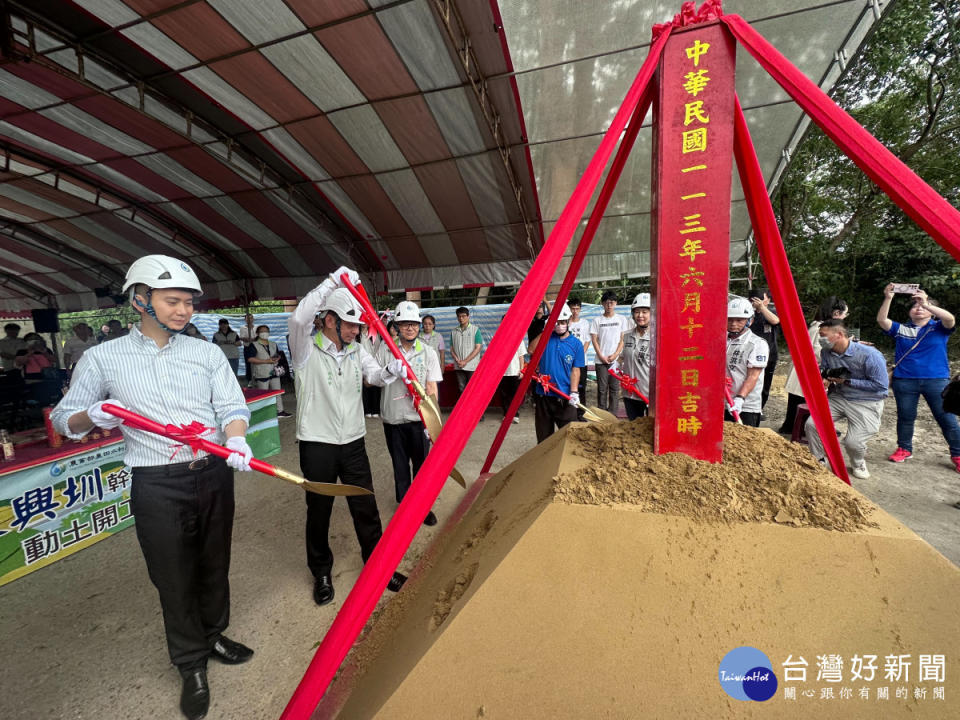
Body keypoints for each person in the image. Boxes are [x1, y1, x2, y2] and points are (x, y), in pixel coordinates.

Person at [50, 255, 256, 720]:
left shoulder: (203, 353)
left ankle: (212, 634)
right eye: (172, 301)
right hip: (156, 482)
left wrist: (237, 437)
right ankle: (190, 663)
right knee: (173, 574)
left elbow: (231, 404)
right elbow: (65, 419)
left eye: (187, 302)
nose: (183, 310)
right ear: (139, 299)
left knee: (213, 562)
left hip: (212, 470)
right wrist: (94, 414)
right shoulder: (103, 358)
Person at [287, 267, 408, 607]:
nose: (357, 331)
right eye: (350, 324)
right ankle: (321, 572)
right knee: (319, 509)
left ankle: (379, 567)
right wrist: (329, 282)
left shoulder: (357, 349)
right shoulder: (304, 349)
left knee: (365, 505)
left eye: (359, 325)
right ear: (329, 321)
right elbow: (298, 320)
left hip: (353, 442)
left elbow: (374, 376)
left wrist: (391, 372)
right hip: (318, 444)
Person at [877, 285, 960, 472]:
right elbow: (882, 320)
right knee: (906, 417)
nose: (919, 308)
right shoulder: (902, 329)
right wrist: (888, 297)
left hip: (936, 380)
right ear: (909, 311)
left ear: (932, 312)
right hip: (905, 380)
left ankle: (957, 454)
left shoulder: (940, 328)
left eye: (923, 306)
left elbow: (950, 318)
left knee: (946, 418)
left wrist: (926, 302)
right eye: (915, 305)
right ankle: (904, 448)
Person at [375, 301, 443, 526]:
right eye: (405, 324)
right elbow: (371, 379)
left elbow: (432, 387)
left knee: (422, 465)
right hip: (393, 418)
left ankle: (423, 507)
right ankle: (405, 505)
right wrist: (388, 370)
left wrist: (433, 422)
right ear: (396, 325)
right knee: (400, 464)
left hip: (419, 419)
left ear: (419, 325)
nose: (410, 328)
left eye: (414, 324)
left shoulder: (428, 352)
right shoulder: (385, 350)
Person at [804, 319, 888, 479]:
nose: (820, 339)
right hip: (839, 397)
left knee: (853, 442)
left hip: (866, 401)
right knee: (812, 425)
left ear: (839, 335)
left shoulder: (870, 355)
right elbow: (826, 369)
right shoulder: (827, 352)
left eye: (823, 335)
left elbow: (881, 385)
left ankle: (858, 462)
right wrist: (826, 377)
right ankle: (819, 459)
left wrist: (847, 381)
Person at [779, 296, 848, 435]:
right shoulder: (821, 329)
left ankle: (791, 427)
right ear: (836, 314)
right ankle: (800, 429)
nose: (845, 317)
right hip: (809, 369)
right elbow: (818, 351)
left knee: (798, 400)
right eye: (845, 314)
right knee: (805, 401)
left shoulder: (817, 325)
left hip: (804, 368)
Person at [530, 303, 585, 443]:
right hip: (544, 395)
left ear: (568, 322)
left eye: (562, 322)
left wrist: (574, 393)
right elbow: (531, 350)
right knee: (544, 437)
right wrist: (546, 330)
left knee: (569, 437)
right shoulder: (546, 338)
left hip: (565, 396)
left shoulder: (576, 344)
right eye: (556, 322)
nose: (559, 325)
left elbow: (576, 370)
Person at [725, 297, 768, 427]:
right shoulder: (721, 339)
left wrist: (740, 398)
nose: (733, 324)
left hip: (745, 406)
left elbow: (753, 376)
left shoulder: (757, 344)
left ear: (750, 320)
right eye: (730, 319)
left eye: (739, 320)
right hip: (721, 402)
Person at [591, 290, 628, 415]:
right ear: (602, 304)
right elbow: (594, 339)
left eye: (611, 302)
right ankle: (602, 414)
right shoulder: (597, 320)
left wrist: (616, 355)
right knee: (602, 389)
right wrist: (601, 356)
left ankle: (612, 414)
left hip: (616, 361)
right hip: (600, 361)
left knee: (614, 388)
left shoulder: (621, 319)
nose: (609, 305)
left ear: (616, 303)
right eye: (606, 303)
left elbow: (623, 339)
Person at [747, 287, 780, 412]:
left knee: (765, 384)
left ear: (768, 300)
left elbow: (775, 320)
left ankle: (759, 409)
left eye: (761, 299)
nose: (757, 302)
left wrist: (762, 308)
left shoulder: (771, 311)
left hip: (769, 355)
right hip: (749, 355)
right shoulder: (747, 312)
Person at [620, 293, 652, 420]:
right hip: (630, 393)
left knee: (651, 430)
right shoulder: (627, 335)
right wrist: (616, 363)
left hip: (649, 394)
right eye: (637, 312)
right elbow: (623, 357)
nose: (640, 316)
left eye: (644, 312)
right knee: (634, 428)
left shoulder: (658, 337)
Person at [247, 325, 290, 417]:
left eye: (266, 331)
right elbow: (250, 359)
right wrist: (266, 361)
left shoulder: (273, 344)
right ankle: (264, 414)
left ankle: (280, 411)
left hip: (274, 372)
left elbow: (277, 354)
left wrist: (277, 358)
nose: (265, 333)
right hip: (261, 373)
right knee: (263, 394)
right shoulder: (253, 345)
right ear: (257, 333)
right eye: (262, 331)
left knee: (277, 392)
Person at [450, 305, 484, 396]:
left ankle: (475, 409)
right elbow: (451, 348)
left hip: (472, 365)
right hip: (458, 366)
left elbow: (478, 348)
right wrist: (458, 360)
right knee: (461, 388)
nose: (461, 318)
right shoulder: (454, 331)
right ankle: (464, 410)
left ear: (468, 316)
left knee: (473, 389)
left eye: (463, 316)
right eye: (459, 316)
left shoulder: (475, 330)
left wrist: (465, 361)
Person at [497, 323, 526, 425]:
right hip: (502, 372)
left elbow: (521, 356)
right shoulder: (498, 338)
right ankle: (506, 414)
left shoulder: (518, 338)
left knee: (514, 395)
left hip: (514, 370)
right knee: (504, 395)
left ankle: (515, 415)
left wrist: (522, 370)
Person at [567, 298, 591, 408]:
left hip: (581, 361)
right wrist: (569, 323)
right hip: (567, 360)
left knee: (581, 387)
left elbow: (587, 340)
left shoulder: (585, 323)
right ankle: (570, 410)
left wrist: (580, 354)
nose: (575, 311)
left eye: (577, 309)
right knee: (568, 386)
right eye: (573, 308)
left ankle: (581, 412)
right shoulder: (565, 323)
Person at [360, 326, 382, 418]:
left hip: (375, 362)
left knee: (375, 386)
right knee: (365, 387)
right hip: (362, 364)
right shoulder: (358, 334)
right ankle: (367, 409)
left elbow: (377, 348)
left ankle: (375, 409)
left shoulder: (374, 333)